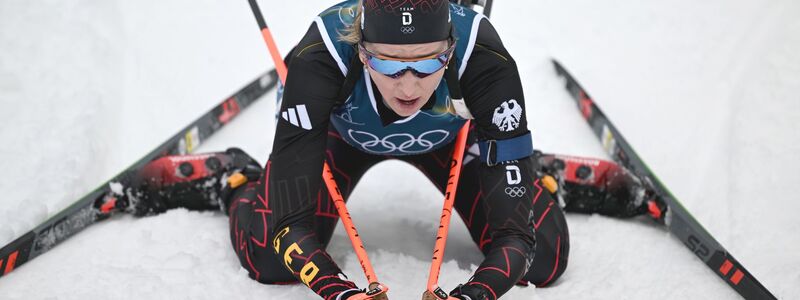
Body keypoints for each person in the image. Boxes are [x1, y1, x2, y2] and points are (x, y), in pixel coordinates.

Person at [105, 1, 667, 299]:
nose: (409, 85)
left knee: (544, 258)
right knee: (270, 259)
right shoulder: (322, 54)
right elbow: (291, 228)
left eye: (429, 63)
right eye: (387, 63)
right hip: (340, 139)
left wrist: (474, 295)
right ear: (361, 50)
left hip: (453, 139)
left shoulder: (482, 53)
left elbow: (517, 242)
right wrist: (338, 291)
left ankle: (534, 169)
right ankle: (232, 179)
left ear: (450, 49)